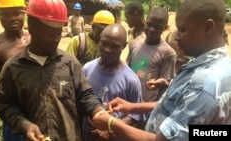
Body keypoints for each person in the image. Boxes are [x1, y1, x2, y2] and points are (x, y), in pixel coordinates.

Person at [92, 0, 231, 140]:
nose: (177, 36)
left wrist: (112, 123)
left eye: (183, 30)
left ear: (207, 27)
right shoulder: (216, 65)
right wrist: (132, 107)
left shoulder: (205, 84)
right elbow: (178, 105)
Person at [0, 0, 109, 140]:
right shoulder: (13, 68)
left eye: (59, 33)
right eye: (50, 34)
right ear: (32, 28)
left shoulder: (69, 63)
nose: (56, 39)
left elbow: (85, 95)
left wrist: (97, 112)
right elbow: (5, 105)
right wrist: (25, 125)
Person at [82, 23, 144, 141]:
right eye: (104, 43)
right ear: (99, 40)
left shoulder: (131, 80)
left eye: (115, 46)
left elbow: (135, 115)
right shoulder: (87, 69)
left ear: (124, 46)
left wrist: (110, 129)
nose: (107, 50)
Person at [0, 0, 30, 140]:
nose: (12, 18)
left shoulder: (35, 39)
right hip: (14, 111)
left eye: (16, 13)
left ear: (24, 13)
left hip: (39, 106)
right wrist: (11, 89)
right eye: (6, 14)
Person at [127, 7, 176, 103]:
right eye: (149, 24)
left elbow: (164, 87)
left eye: (158, 27)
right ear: (145, 22)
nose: (152, 29)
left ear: (165, 28)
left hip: (146, 106)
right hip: (128, 100)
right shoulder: (135, 43)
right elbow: (127, 68)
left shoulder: (168, 53)